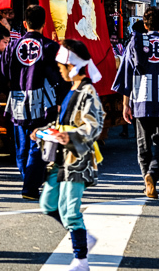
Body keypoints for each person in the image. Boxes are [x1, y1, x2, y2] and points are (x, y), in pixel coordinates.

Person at [33, 40, 105, 271]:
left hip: (77, 158)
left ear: (73, 65)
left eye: (62, 66)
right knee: (47, 204)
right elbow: (63, 122)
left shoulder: (87, 91)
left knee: (70, 210)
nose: (60, 70)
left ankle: (81, 259)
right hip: (61, 157)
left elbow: (94, 125)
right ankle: (83, 237)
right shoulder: (72, 90)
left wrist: (69, 136)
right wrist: (45, 130)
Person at [0, 4, 63, 200]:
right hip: (43, 102)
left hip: (18, 100)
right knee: (38, 144)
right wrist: (63, 100)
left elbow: (1, 72)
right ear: (44, 24)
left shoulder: (12, 45)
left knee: (21, 145)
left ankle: (27, 179)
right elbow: (60, 77)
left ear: (24, 23)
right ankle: (30, 185)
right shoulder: (50, 47)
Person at [112, 6, 159, 199]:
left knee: (143, 145)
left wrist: (126, 104)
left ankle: (146, 177)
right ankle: (152, 175)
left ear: (145, 25)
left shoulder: (134, 45)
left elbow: (126, 76)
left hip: (140, 98)